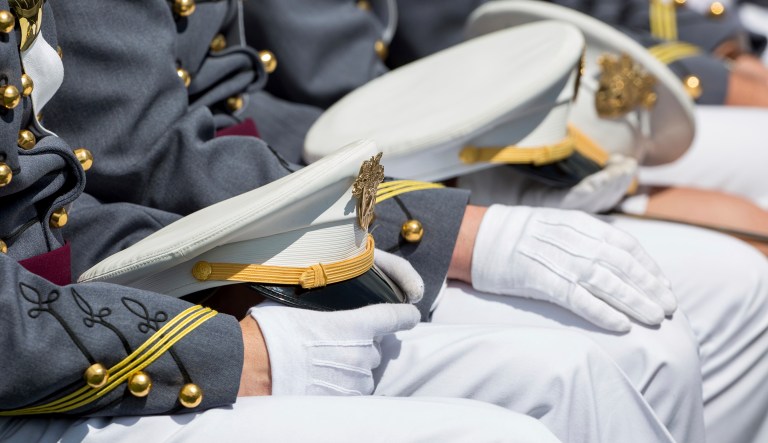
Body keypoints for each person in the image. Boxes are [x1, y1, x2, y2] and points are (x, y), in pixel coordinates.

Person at [40, 0, 767, 441]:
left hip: (263, 194)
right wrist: (446, 212)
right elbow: (147, 156)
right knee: (586, 374)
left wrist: (466, 177)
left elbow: (238, 108)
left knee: (691, 314)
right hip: (101, 307)